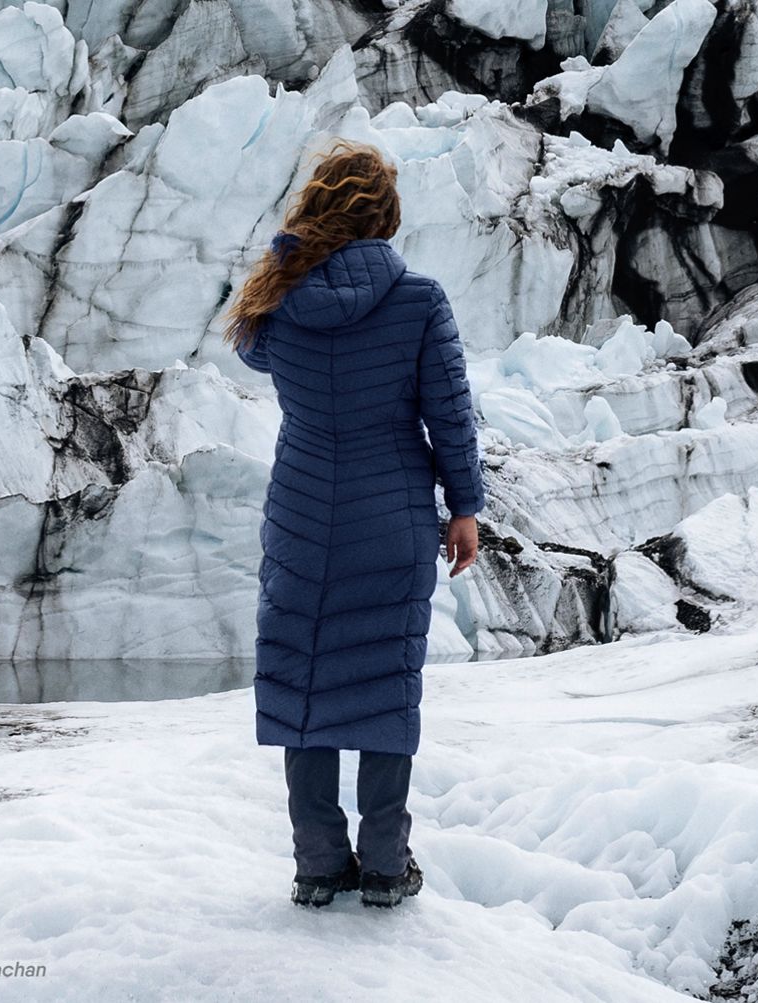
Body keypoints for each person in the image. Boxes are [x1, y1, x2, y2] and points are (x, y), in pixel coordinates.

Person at [223, 138, 486, 909]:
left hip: (303, 511)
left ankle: (316, 864)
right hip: (392, 511)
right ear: (387, 214)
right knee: (381, 684)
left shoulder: (277, 298)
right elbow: (451, 416)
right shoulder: (419, 300)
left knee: (300, 681)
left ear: (315, 210)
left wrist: (286, 250)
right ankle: (381, 864)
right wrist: (464, 506)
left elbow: (249, 352)